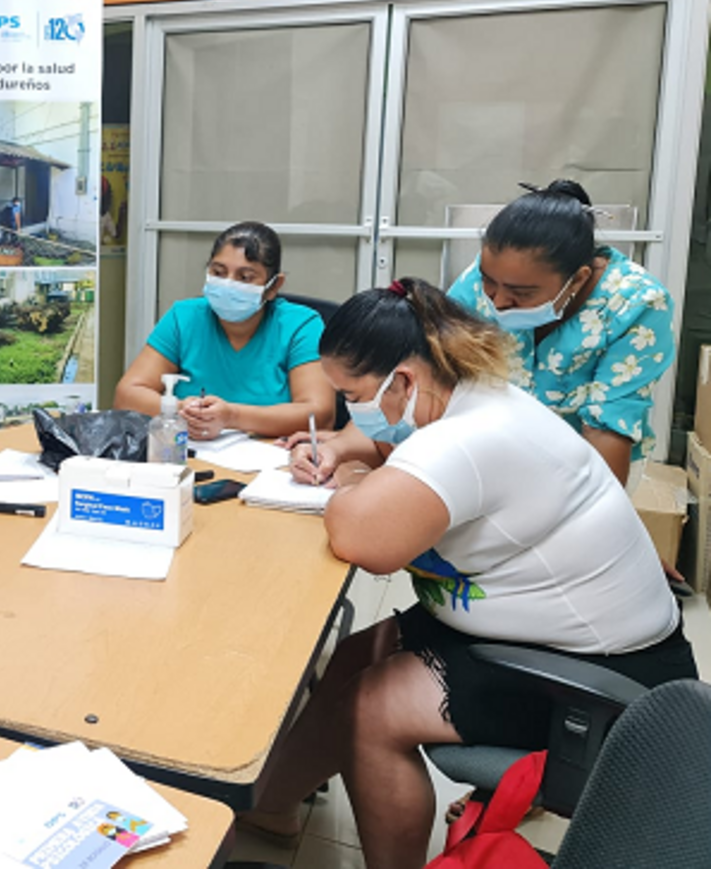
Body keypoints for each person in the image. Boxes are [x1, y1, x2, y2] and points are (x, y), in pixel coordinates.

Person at [247, 279, 696, 869]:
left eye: (351, 395)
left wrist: (352, 483)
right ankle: (266, 805)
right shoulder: (472, 392)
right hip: (533, 630)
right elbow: (377, 443)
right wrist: (342, 451)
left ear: (403, 381)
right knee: (354, 657)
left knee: (370, 708)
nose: (345, 410)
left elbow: (363, 538)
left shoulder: (469, 439)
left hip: (600, 674)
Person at [446, 180, 674, 489]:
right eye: (490, 283)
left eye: (520, 293)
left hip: (586, 462)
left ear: (578, 279)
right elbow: (442, 366)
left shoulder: (635, 303)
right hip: (493, 448)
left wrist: (590, 516)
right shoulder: (483, 277)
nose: (497, 301)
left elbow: (608, 427)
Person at [113, 222, 335, 438]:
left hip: (272, 462)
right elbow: (126, 396)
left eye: (245, 277)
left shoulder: (300, 325)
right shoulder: (184, 317)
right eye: (218, 272)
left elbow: (320, 414)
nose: (228, 284)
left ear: (274, 286)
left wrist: (232, 416)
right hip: (190, 454)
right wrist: (182, 409)